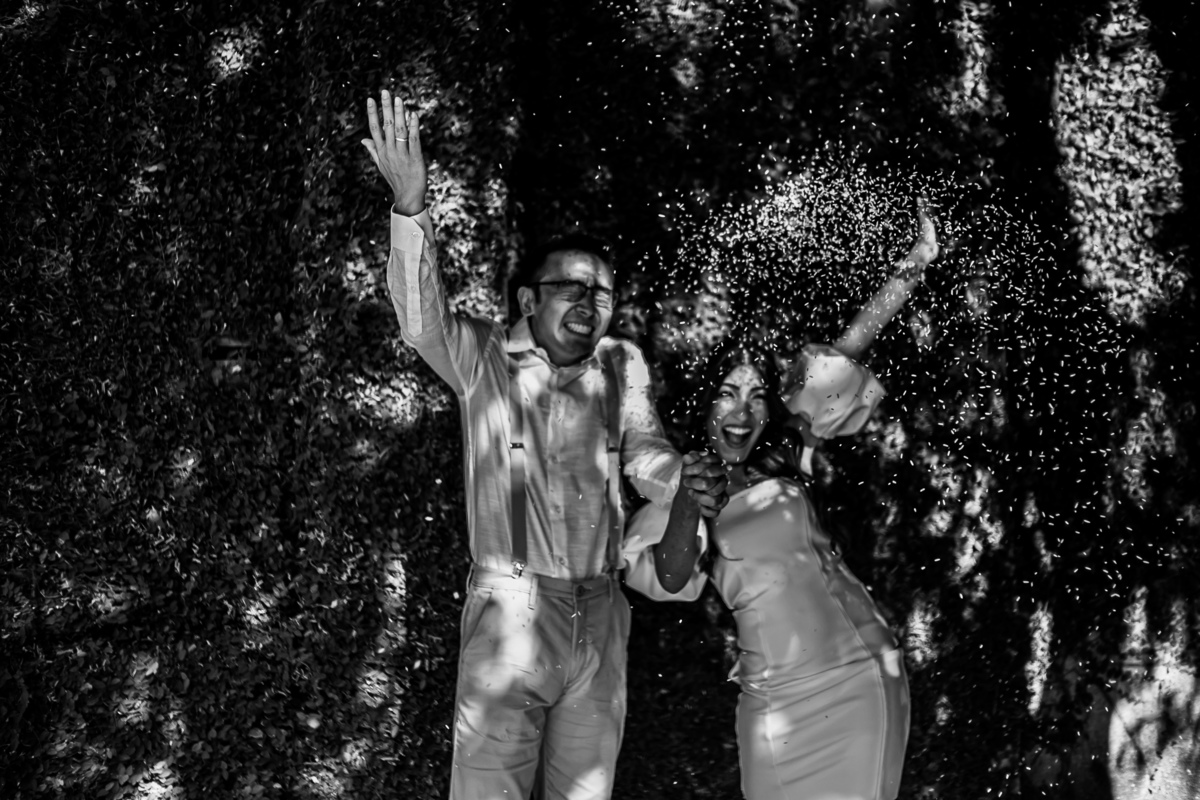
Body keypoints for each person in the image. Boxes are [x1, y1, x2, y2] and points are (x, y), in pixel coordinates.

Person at [361, 91, 728, 800]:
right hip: (512, 608)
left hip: (602, 612)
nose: (590, 304)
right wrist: (410, 206)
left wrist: (683, 478)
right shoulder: (482, 357)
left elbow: (646, 452)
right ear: (529, 299)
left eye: (603, 294)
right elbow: (420, 322)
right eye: (572, 288)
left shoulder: (621, 365)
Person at [622, 210, 939, 800]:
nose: (741, 413)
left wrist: (915, 264)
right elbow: (671, 575)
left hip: (855, 677)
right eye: (726, 394)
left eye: (757, 397)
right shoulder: (682, 483)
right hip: (771, 703)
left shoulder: (785, 452)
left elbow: (852, 343)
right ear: (706, 405)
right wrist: (689, 499)